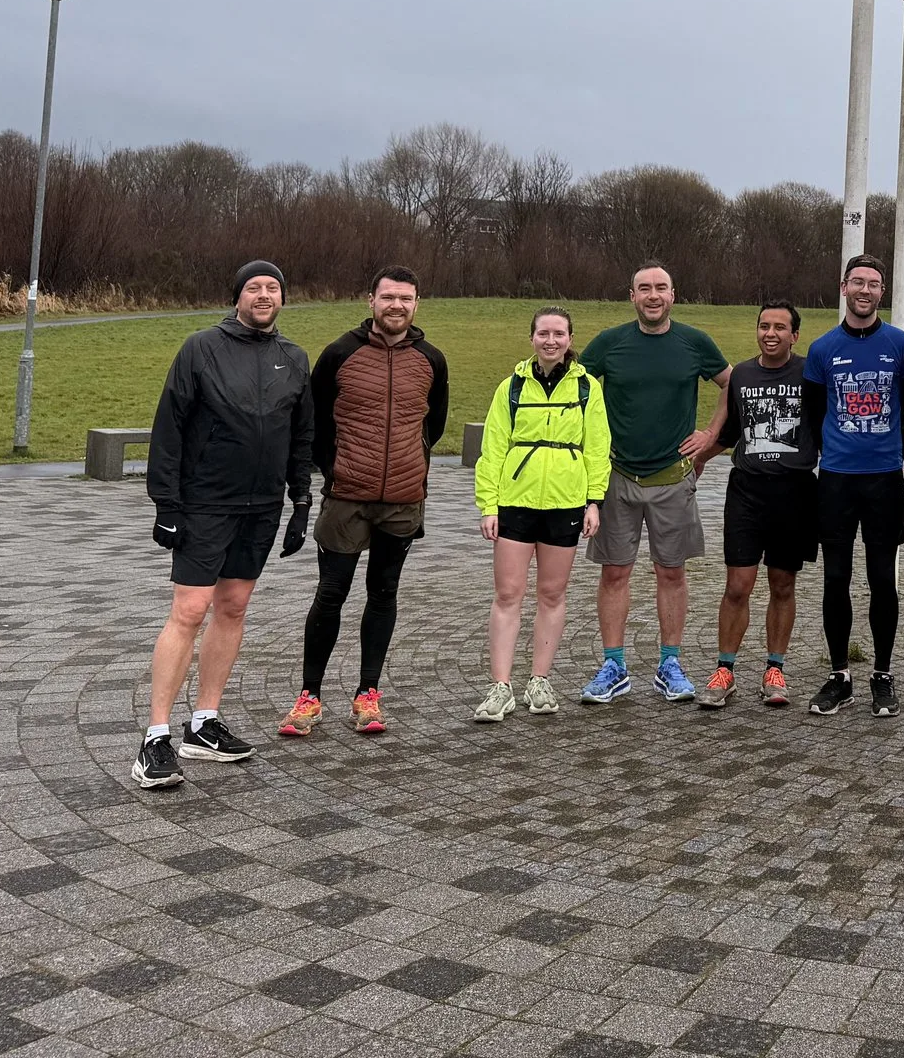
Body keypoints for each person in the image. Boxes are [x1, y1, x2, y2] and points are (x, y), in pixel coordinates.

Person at [132, 260, 314, 790]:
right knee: (189, 609)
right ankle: (155, 737)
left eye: (273, 287)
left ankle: (203, 724)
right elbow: (170, 427)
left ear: (282, 299)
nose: (264, 294)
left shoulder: (293, 358)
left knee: (233, 606)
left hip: (261, 506)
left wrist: (300, 503)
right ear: (237, 297)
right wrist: (165, 504)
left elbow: (301, 438)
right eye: (254, 287)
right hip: (204, 503)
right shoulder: (201, 348)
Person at [279, 267, 449, 741]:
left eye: (406, 298)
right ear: (370, 300)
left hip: (402, 500)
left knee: (383, 593)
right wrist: (336, 471)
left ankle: (368, 693)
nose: (397, 306)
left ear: (417, 303)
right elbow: (314, 425)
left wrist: (407, 469)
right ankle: (309, 696)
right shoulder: (340, 353)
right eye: (389, 297)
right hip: (346, 498)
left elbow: (432, 426)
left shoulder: (432, 359)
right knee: (330, 594)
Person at [579, 264, 729, 704]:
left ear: (673, 294)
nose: (653, 295)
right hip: (617, 477)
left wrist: (710, 435)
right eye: (644, 288)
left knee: (672, 571)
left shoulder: (694, 342)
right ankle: (613, 666)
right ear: (632, 296)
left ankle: (670, 664)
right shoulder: (610, 343)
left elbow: (730, 382)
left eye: (660, 287)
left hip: (673, 479)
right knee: (615, 572)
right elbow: (575, 389)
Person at [472, 307, 610, 718]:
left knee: (552, 594)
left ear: (570, 338)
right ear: (531, 337)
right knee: (507, 594)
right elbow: (493, 449)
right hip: (515, 503)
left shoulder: (587, 389)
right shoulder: (510, 388)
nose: (551, 340)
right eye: (543, 333)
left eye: (559, 334)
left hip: (566, 503)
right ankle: (500, 687)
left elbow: (598, 447)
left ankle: (540, 680)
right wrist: (488, 504)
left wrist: (593, 500)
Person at [694, 301, 824, 708]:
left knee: (782, 584)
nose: (771, 333)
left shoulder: (810, 375)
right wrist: (697, 460)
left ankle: (774, 669)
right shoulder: (742, 374)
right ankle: (725, 670)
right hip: (747, 490)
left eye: (780, 328)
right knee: (738, 585)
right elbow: (730, 431)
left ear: (794, 336)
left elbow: (826, 429)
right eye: (764, 326)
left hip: (794, 491)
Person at [802, 254, 904, 717]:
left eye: (873, 284)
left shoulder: (902, 345)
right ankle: (838, 674)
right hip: (836, 480)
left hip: (885, 479)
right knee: (836, 579)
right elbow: (813, 415)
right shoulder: (822, 349)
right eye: (857, 282)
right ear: (843, 286)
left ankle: (883, 673)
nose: (865, 291)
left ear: (881, 291)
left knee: (881, 580)